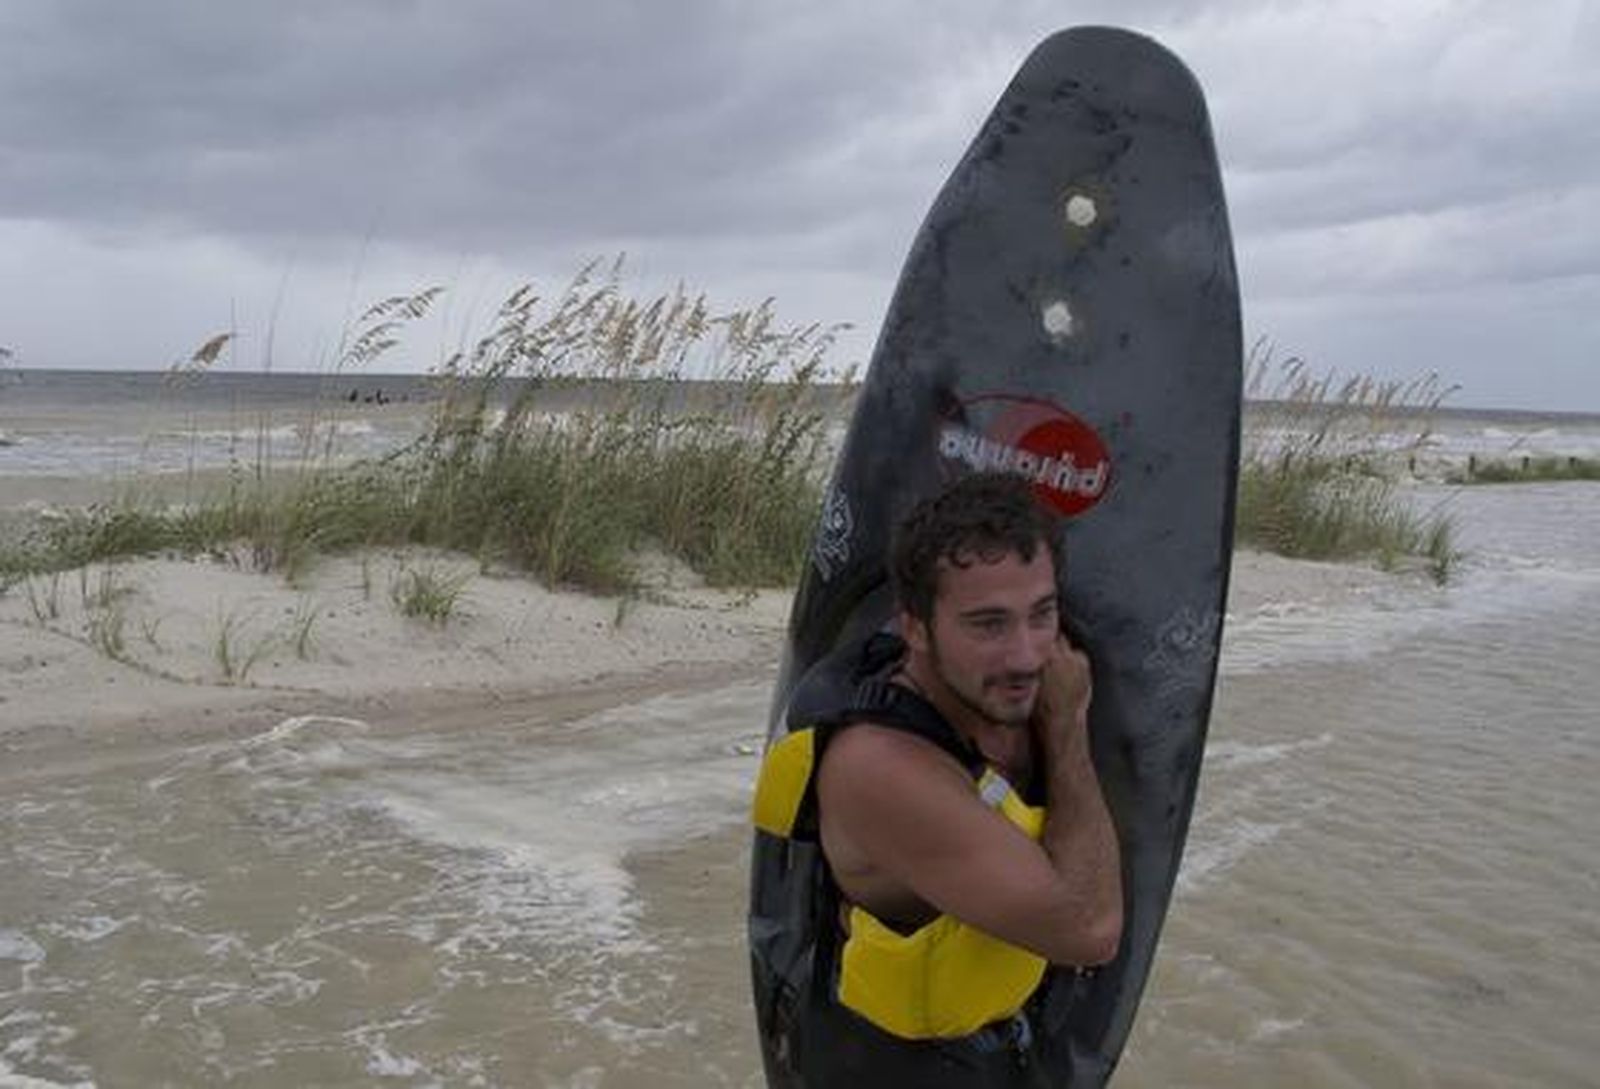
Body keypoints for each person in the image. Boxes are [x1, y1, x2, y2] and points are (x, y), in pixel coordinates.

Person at [757, 471, 1123, 1086]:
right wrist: (1067, 729)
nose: (1027, 655)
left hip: (991, 1050)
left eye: (1042, 614)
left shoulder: (988, 692)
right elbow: (1091, 932)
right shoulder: (879, 768)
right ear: (915, 629)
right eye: (988, 624)